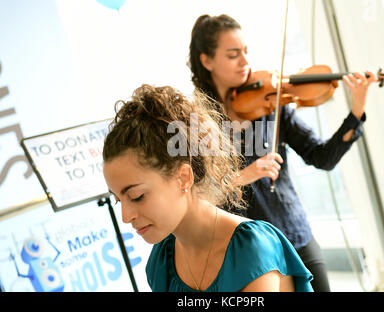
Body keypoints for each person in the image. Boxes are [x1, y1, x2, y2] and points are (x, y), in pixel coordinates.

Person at [188, 14, 377, 292]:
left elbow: (322, 157)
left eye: (245, 52)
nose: (245, 62)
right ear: (207, 61)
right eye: (232, 55)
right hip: (245, 248)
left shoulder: (272, 103)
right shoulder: (198, 123)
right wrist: (244, 175)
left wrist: (356, 110)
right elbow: (196, 193)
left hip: (293, 233)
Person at [102, 84, 313, 292]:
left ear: (183, 178)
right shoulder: (162, 262)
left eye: (137, 196)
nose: (126, 216)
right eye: (118, 200)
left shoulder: (249, 248)